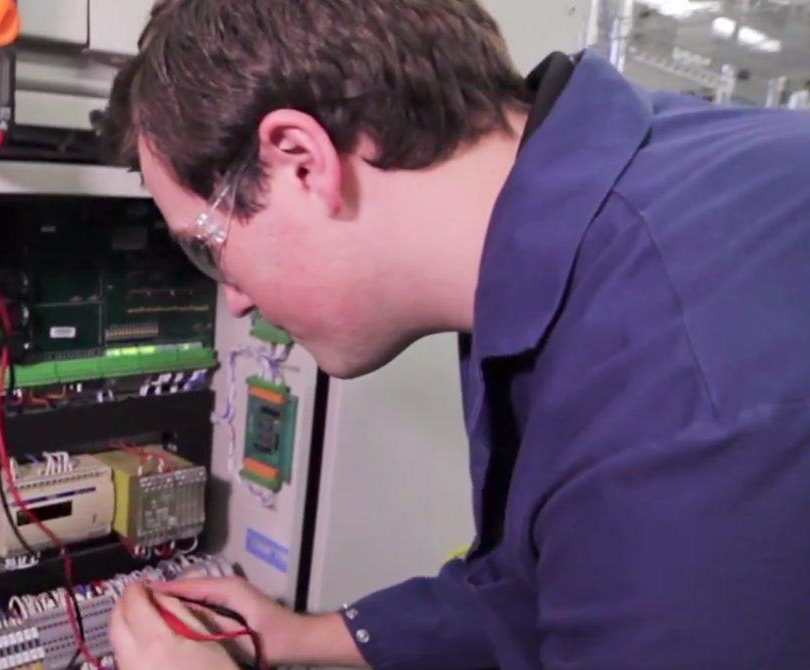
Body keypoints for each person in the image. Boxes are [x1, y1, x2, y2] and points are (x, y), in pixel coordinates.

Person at [100, 1, 810, 669]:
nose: (236, 301)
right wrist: (305, 636)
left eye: (208, 245)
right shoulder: (608, 214)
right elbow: (542, 575)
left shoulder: (682, 392)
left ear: (301, 161)